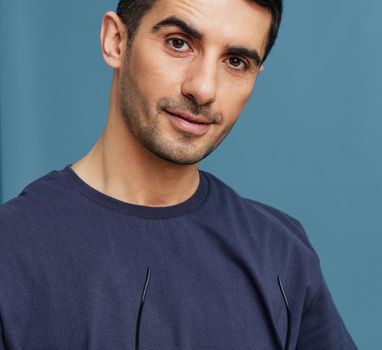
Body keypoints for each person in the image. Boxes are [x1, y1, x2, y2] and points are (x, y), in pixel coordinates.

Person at [0, 0, 358, 349]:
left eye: (236, 62)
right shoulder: (13, 247)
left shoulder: (281, 250)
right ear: (116, 42)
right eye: (178, 43)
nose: (203, 89)